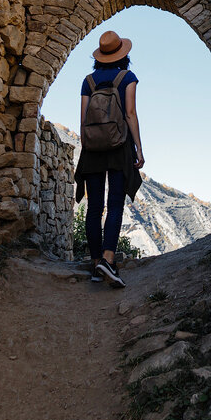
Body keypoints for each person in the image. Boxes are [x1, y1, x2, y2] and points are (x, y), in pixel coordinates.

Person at [75, 30, 144, 288]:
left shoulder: (88, 81)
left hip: (92, 147)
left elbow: (83, 119)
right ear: (122, 55)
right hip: (118, 146)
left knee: (94, 208)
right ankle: (108, 258)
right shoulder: (128, 77)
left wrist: (86, 145)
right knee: (115, 205)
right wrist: (138, 147)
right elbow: (130, 113)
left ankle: (95, 265)